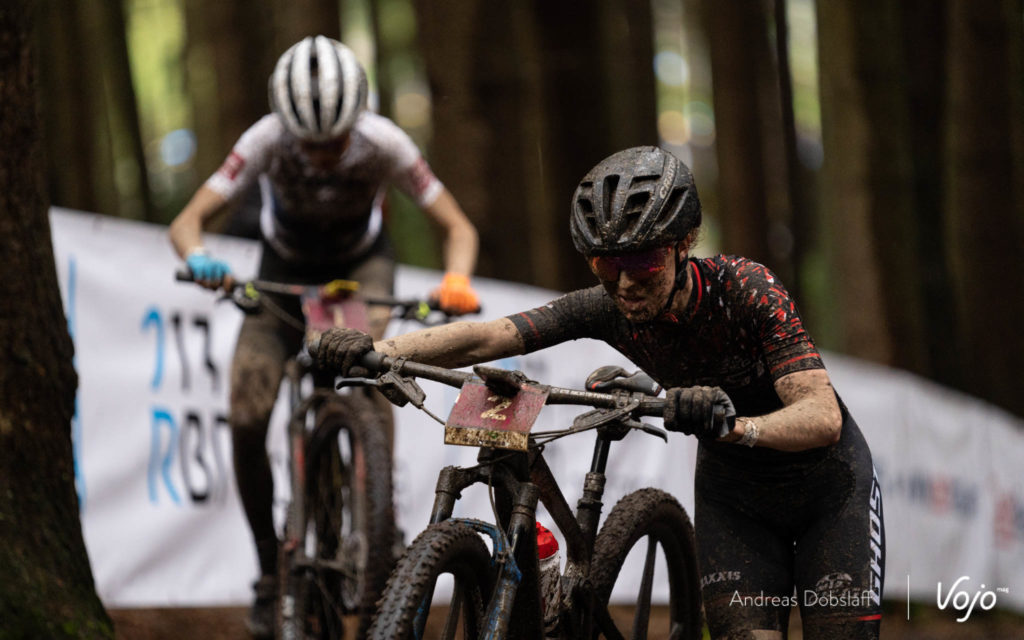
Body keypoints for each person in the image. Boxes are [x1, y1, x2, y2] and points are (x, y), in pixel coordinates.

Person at [314, 146, 886, 639]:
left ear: (685, 243)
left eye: (644, 262)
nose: (626, 283)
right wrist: (376, 350)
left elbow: (822, 416)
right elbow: (488, 336)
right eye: (606, 265)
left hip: (828, 488)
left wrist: (734, 426)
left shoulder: (746, 289)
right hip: (735, 497)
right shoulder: (606, 305)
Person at [168, 35, 480, 638]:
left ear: (356, 121)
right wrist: (200, 257)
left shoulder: (385, 142)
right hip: (282, 271)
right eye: (309, 144)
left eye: (334, 142)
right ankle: (268, 574)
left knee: (371, 374)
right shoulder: (263, 139)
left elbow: (457, 227)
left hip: (359, 271)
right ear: (286, 128)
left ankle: (381, 532)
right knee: (247, 411)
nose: (321, 157)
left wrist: (457, 279)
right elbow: (187, 222)